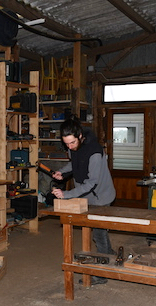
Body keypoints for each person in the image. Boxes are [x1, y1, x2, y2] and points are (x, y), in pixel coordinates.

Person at [51, 115, 116, 285]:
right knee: (99, 232)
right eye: (66, 144)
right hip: (88, 196)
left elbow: (91, 183)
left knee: (99, 234)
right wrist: (62, 173)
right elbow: (74, 164)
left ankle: (102, 274)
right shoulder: (74, 147)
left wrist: (67, 194)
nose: (70, 147)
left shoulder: (94, 152)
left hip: (101, 196)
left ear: (80, 136)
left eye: (72, 143)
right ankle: (110, 255)